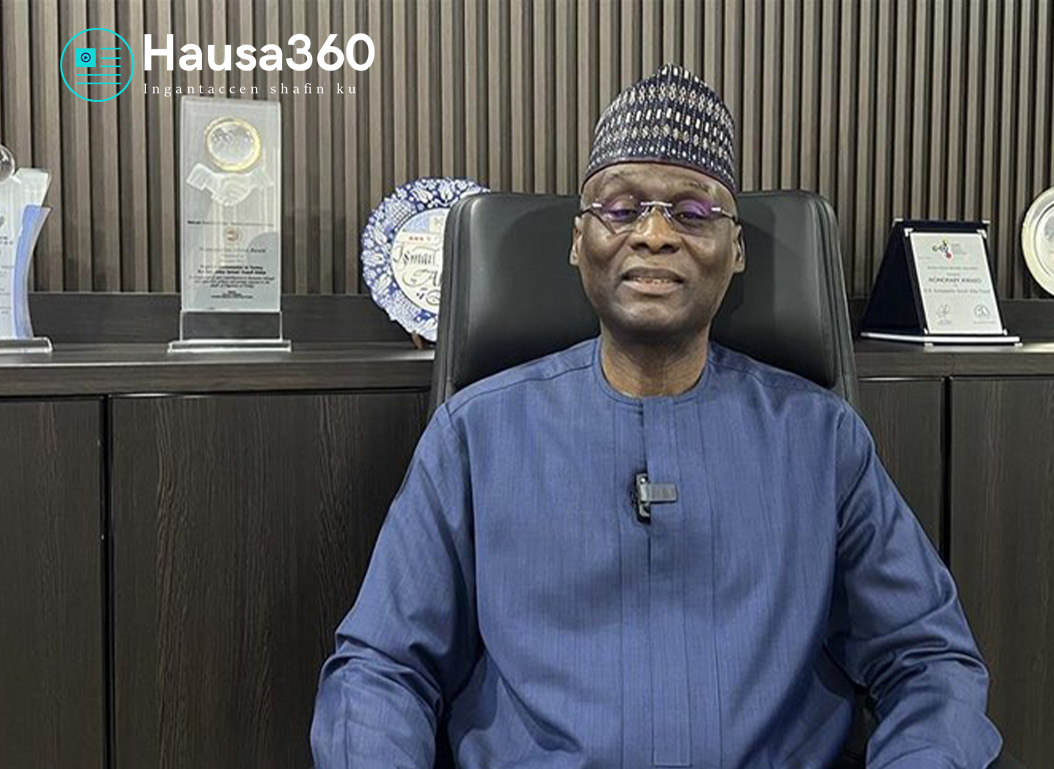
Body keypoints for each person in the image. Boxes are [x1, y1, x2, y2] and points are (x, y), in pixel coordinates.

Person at [312, 63, 1002, 769]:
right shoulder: (473, 436)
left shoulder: (820, 438)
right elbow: (381, 668)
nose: (653, 234)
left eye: (693, 212)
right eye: (620, 208)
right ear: (578, 240)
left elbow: (928, 660)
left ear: (735, 250)